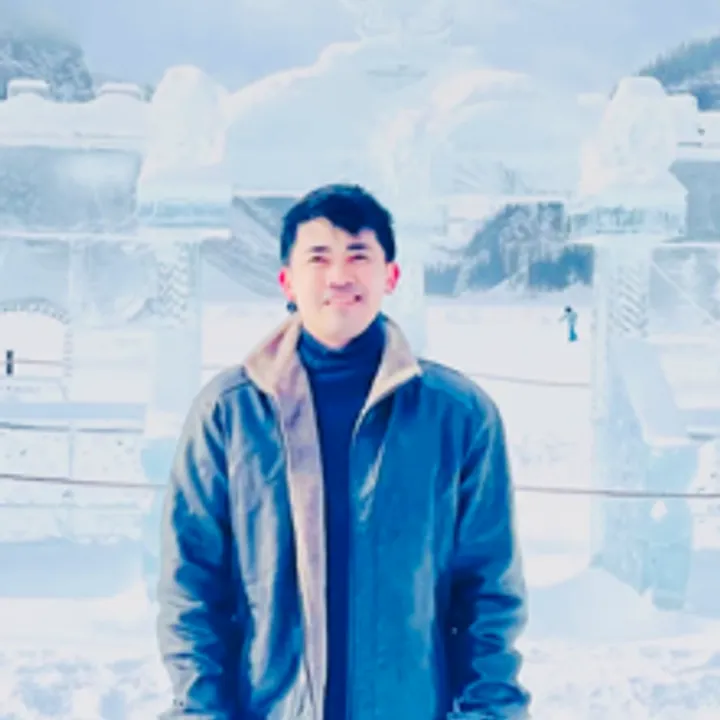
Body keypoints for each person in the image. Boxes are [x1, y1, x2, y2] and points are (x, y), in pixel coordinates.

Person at [156, 183, 531, 719]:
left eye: (358, 256)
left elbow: (488, 594)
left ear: (390, 276)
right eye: (318, 257)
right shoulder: (230, 413)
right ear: (287, 280)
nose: (339, 276)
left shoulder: (458, 415)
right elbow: (191, 589)